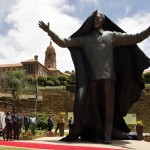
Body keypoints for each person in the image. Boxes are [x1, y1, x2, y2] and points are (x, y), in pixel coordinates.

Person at [38, 10, 150, 144]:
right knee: (94, 108)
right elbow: (63, 42)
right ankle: (97, 133)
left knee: (109, 108)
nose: (97, 20)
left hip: (109, 77)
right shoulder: (85, 39)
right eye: (95, 18)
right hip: (92, 79)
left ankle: (107, 136)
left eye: (99, 18)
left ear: (103, 20)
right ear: (92, 20)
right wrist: (49, 32)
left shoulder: (111, 36)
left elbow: (136, 37)